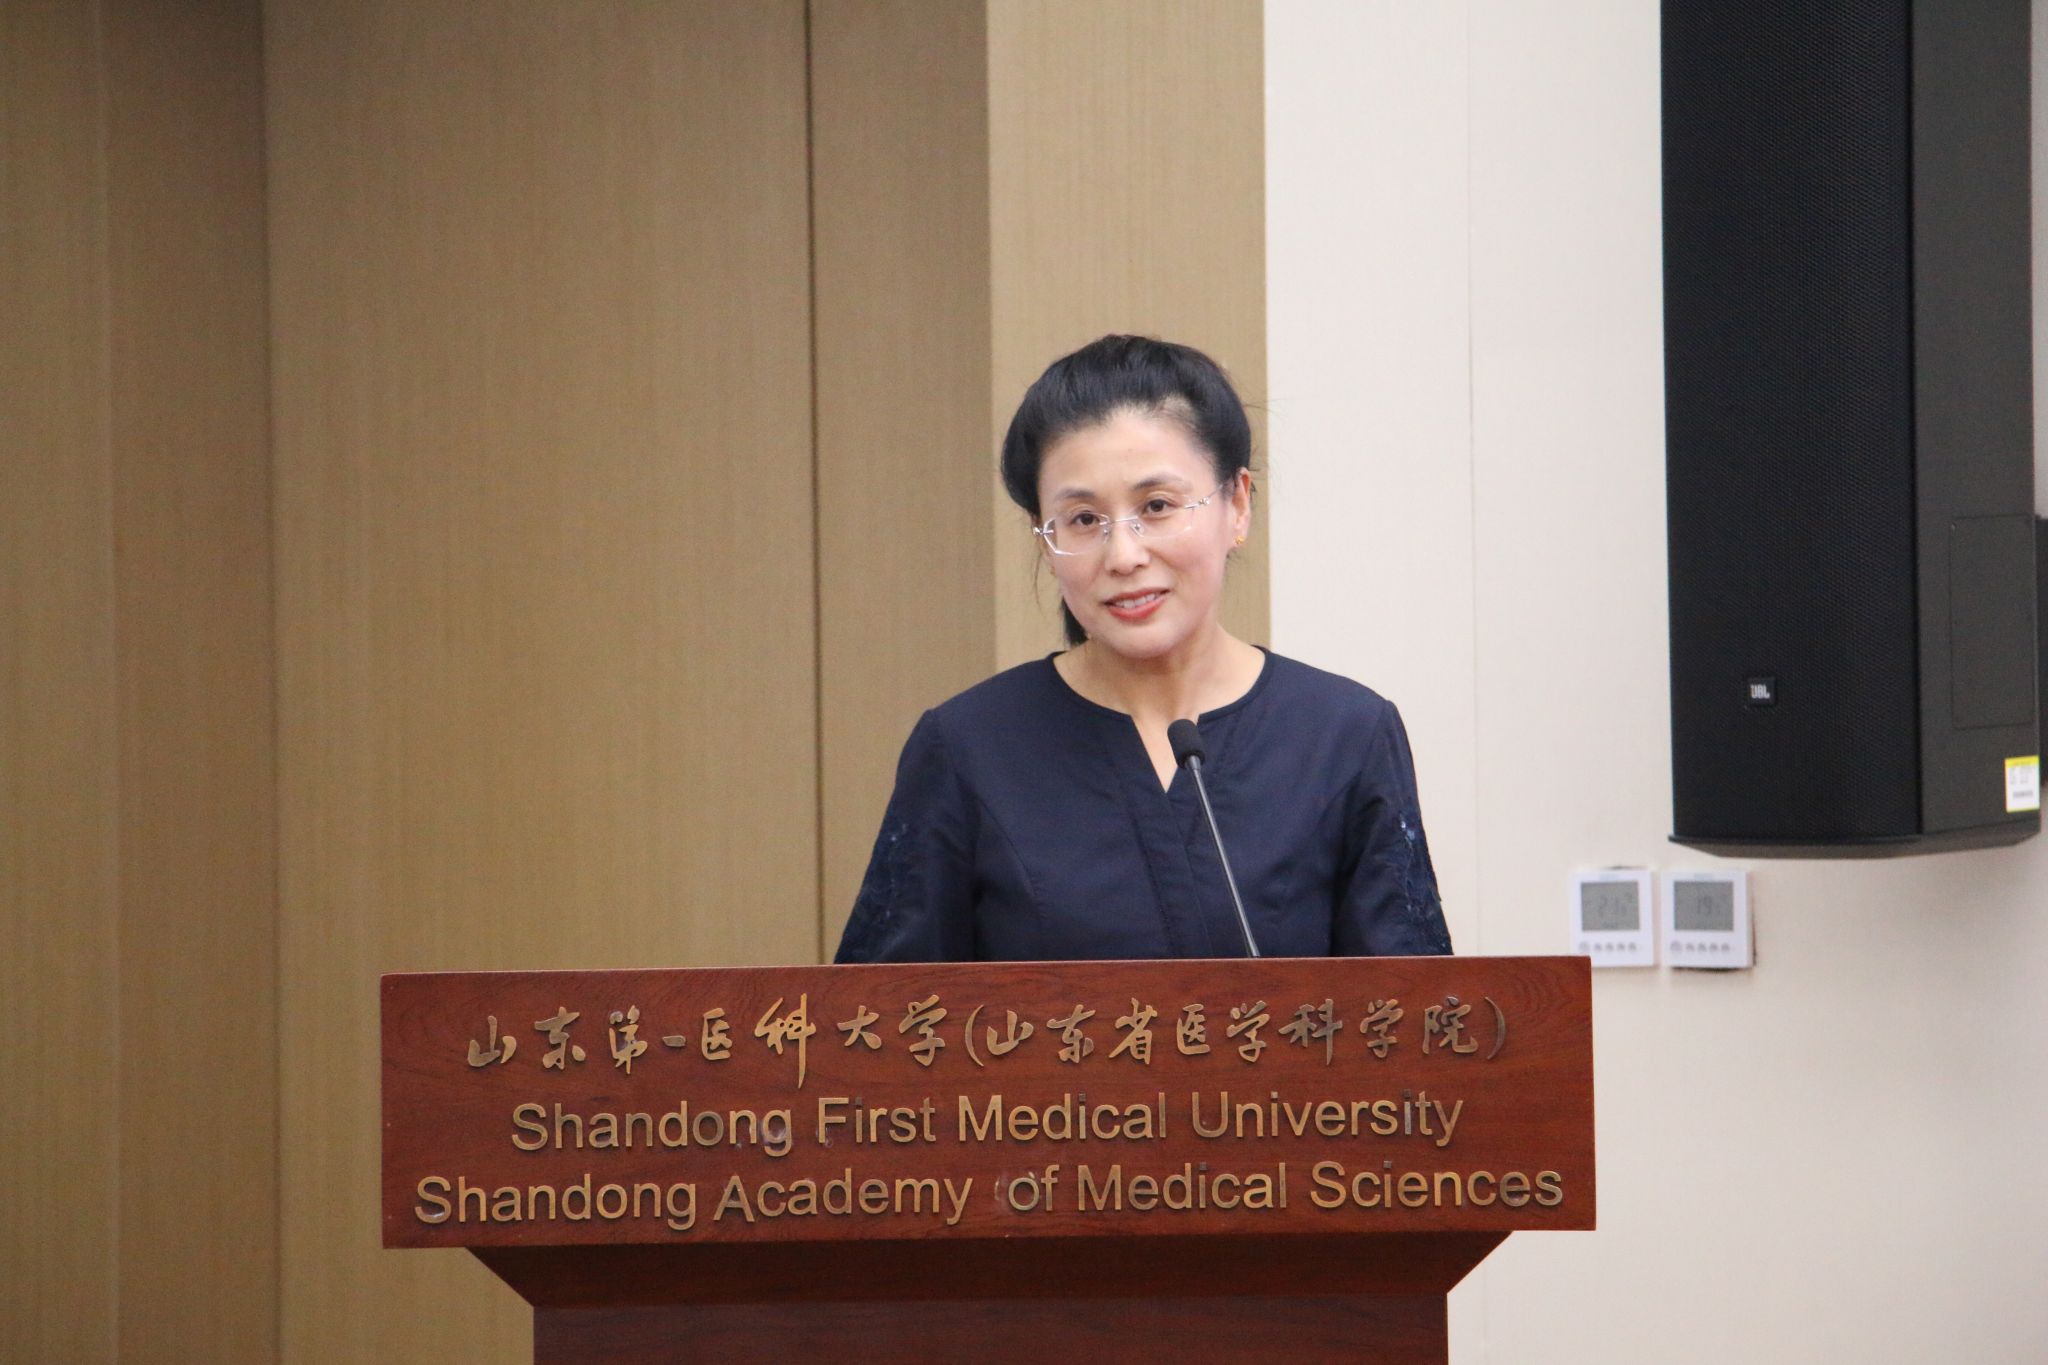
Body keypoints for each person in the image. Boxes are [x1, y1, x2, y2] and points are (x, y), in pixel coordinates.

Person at [834, 335, 1452, 963]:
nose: (1124, 555)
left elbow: (1414, 1009)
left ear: (1238, 504)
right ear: (1045, 541)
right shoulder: (968, 746)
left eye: (1157, 506)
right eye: (1083, 520)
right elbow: (879, 1013)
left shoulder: (1344, 733)